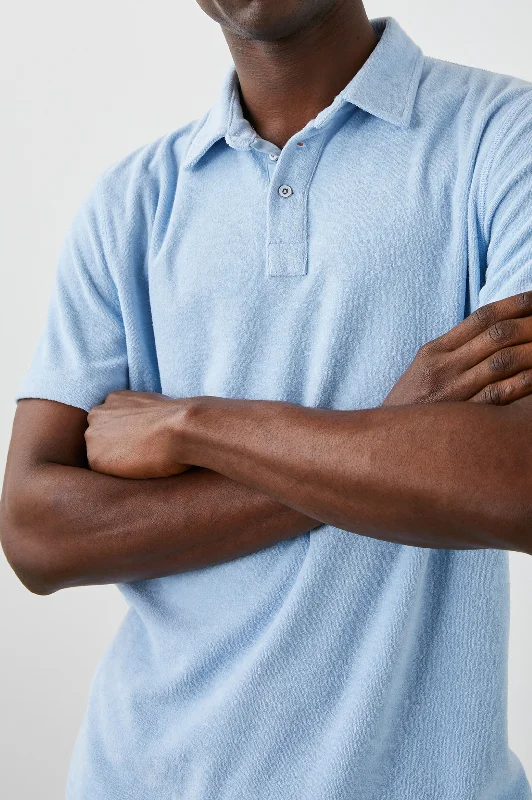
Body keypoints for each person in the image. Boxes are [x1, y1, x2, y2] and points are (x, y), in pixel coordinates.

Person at [1, 1, 532, 797]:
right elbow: (36, 533)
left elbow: (517, 484)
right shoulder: (130, 204)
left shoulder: (504, 137)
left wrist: (194, 426)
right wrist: (395, 435)